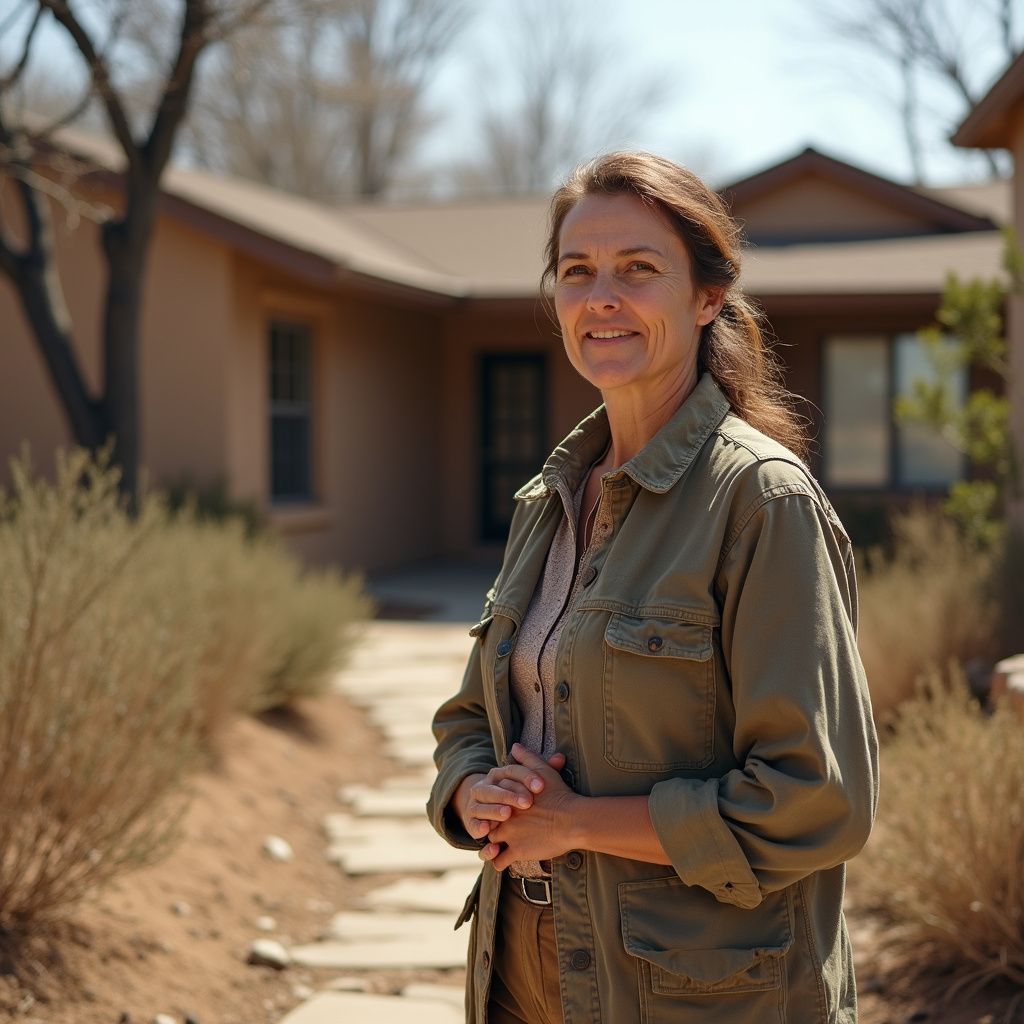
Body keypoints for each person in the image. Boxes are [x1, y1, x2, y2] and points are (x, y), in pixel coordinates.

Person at [427, 151, 879, 1024]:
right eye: (577, 271)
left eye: (638, 270)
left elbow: (818, 802)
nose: (602, 296)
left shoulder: (760, 501)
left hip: (694, 995)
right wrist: (470, 788)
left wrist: (577, 823)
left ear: (706, 298)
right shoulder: (552, 496)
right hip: (522, 967)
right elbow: (468, 720)